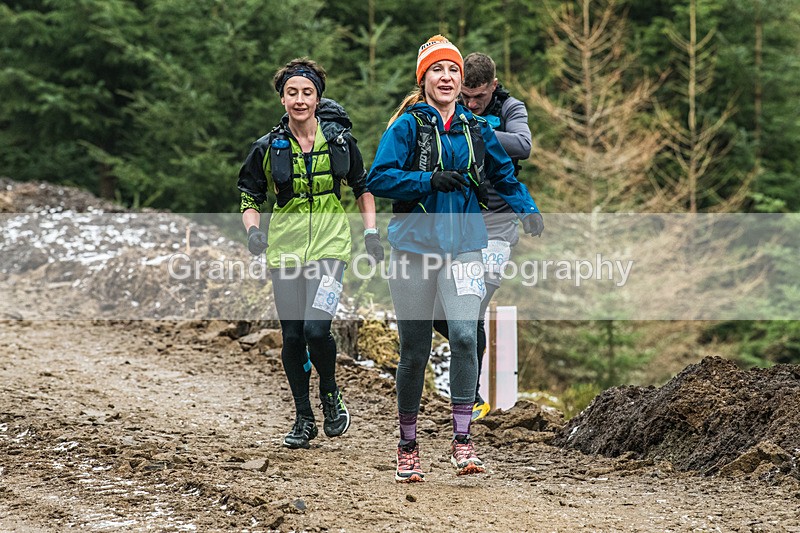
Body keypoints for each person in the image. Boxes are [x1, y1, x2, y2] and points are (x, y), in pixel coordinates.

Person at [367, 36, 543, 483]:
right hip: (412, 248)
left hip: (465, 245)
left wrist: (527, 208)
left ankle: (463, 440)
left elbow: (504, 173)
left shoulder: (476, 128)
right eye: (437, 70)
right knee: (415, 351)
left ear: (461, 80)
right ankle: (408, 446)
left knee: (465, 334)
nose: (446, 78)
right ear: (423, 79)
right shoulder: (406, 127)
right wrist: (427, 180)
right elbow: (378, 178)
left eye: (453, 71)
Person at [237, 58, 384, 449]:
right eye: (292, 93)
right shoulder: (267, 147)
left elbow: (362, 187)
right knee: (292, 336)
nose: (299, 100)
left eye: (307, 92)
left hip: (331, 246)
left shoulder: (339, 142)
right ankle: (303, 417)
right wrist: (254, 232)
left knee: (316, 329)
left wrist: (371, 233)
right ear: (282, 99)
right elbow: (250, 197)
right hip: (285, 250)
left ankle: (330, 393)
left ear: (318, 98)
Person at [433, 52, 536, 421]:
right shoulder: (451, 105)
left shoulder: (510, 107)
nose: (472, 103)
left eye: (479, 96)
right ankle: (469, 392)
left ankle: (471, 398)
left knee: (473, 306)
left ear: (494, 85)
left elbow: (523, 145)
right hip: (459, 220)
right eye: (466, 96)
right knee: (438, 315)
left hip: (498, 225)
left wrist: (475, 127)